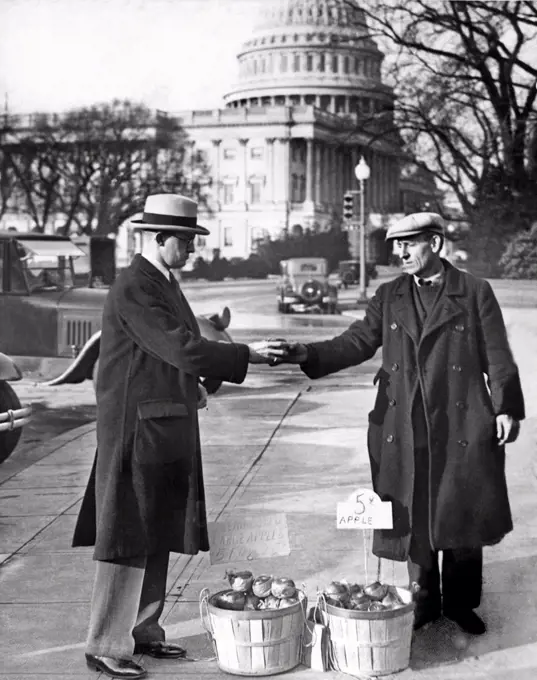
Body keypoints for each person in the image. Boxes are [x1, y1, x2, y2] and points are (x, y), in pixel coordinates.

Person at [268, 212, 525, 636]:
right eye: (396, 245)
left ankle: (461, 603)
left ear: (436, 244)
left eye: (409, 243)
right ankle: (423, 600)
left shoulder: (474, 291)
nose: (400, 253)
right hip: (403, 424)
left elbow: (497, 354)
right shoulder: (389, 295)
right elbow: (355, 342)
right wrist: (303, 352)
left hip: (461, 422)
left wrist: (505, 407)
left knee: (461, 510)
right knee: (411, 511)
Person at [72, 193, 275, 679]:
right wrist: (247, 355)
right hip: (135, 430)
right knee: (126, 534)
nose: (191, 249)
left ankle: (144, 633)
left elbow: (165, 357)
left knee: (158, 526)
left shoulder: (162, 281)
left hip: (162, 424)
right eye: (184, 240)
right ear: (157, 238)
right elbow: (182, 347)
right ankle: (105, 644)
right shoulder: (135, 286)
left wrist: (192, 389)